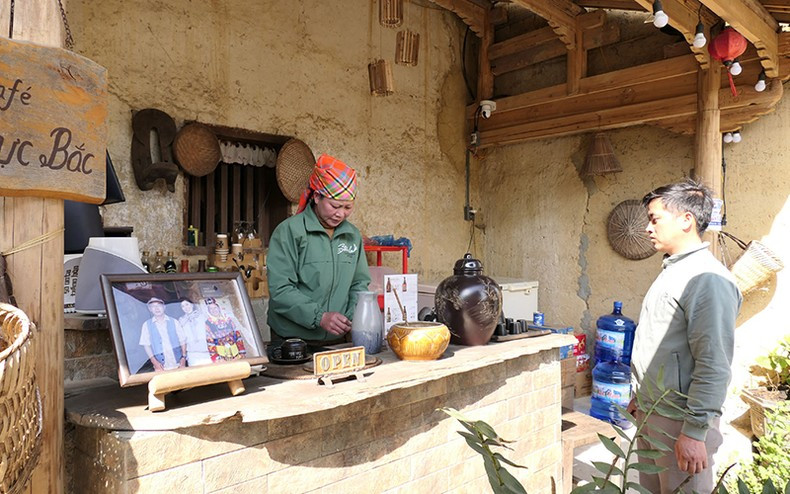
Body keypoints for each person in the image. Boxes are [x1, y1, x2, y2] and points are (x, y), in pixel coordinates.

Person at [629, 179, 742, 493]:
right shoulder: (674, 270)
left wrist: (694, 433)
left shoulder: (708, 279)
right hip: (655, 413)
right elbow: (663, 344)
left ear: (686, 220)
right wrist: (641, 395)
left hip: (680, 422)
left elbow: (714, 363)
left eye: (655, 219)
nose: (648, 228)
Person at [266, 154, 371, 342]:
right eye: (335, 206)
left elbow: (359, 284)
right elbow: (281, 289)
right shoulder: (290, 231)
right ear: (316, 197)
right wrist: (319, 317)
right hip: (293, 338)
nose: (340, 214)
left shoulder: (352, 236)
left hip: (336, 339)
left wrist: (352, 316)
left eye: (348, 207)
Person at [139, 297, 188, 371]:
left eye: (159, 305)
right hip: (161, 366)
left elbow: (182, 340)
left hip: (178, 363)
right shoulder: (146, 325)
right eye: (153, 306)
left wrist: (183, 358)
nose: (156, 308)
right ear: (150, 309)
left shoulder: (174, 322)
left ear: (164, 307)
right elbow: (146, 345)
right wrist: (154, 362)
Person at [204, 297, 247, 362]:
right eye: (211, 309)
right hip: (221, 356)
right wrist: (217, 358)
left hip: (236, 355)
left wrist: (241, 353)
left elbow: (237, 335)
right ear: (208, 311)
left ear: (219, 308)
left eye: (215, 308)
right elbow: (210, 341)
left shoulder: (228, 319)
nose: (213, 310)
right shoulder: (208, 323)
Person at [178, 298, 212, 366]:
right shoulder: (181, 321)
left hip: (206, 350)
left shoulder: (202, 316)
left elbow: (209, 330)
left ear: (192, 305)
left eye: (187, 304)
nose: (186, 307)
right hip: (192, 352)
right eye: (183, 306)